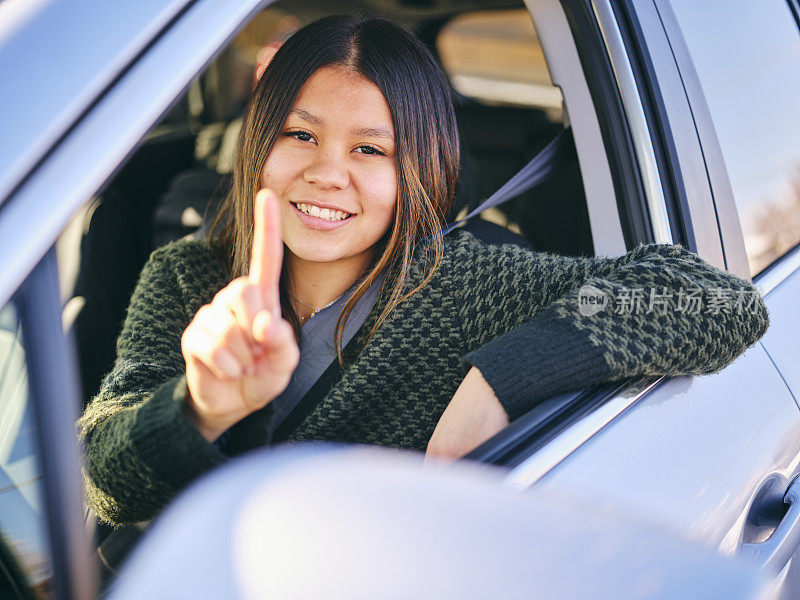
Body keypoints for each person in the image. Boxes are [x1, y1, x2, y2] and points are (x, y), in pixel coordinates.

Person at [79, 15, 769, 526]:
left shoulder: (466, 287)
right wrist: (199, 405)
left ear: (418, 170)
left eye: (370, 151)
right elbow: (105, 482)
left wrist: (502, 379)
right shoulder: (186, 277)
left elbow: (716, 303)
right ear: (258, 141)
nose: (327, 174)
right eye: (300, 135)